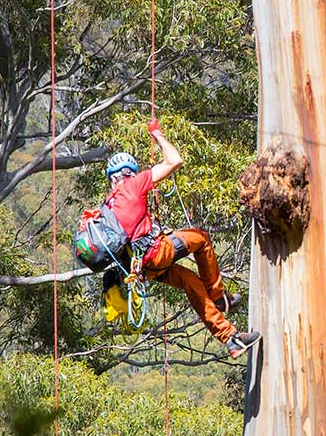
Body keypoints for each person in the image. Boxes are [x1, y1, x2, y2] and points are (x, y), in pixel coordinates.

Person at [105, 119, 260, 358]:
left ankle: (231, 339)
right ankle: (219, 298)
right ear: (128, 174)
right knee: (201, 238)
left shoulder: (108, 205)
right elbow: (174, 161)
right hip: (155, 253)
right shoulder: (133, 186)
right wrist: (157, 134)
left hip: (143, 270)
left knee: (192, 283)